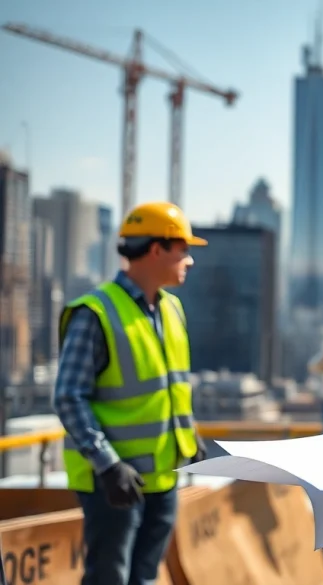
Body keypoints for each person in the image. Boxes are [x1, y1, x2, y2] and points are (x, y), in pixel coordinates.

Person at [53, 201, 209, 585]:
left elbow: (170, 388)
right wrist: (107, 465)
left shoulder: (171, 309)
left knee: (144, 579)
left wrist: (187, 435)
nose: (188, 260)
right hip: (114, 483)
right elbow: (68, 396)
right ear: (157, 249)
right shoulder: (96, 312)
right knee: (109, 578)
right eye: (183, 250)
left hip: (163, 478)